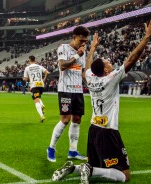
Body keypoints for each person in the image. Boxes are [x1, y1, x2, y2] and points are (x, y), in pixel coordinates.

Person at [52, 15, 151, 184]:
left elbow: (87, 67)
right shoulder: (111, 78)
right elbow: (132, 58)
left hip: (94, 130)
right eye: (108, 62)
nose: (110, 63)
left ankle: (74, 168)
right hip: (108, 131)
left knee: (96, 164)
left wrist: (92, 48)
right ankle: (89, 169)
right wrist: (147, 36)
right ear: (106, 70)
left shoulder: (91, 78)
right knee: (124, 175)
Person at [47, 26, 90, 162]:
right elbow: (62, 66)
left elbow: (82, 72)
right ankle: (51, 148)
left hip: (78, 90)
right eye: (81, 40)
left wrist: (90, 84)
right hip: (65, 89)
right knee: (65, 120)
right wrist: (77, 55)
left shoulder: (83, 51)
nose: (83, 43)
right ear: (74, 37)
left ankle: (73, 151)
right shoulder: (63, 48)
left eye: (85, 41)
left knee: (77, 120)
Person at [23, 55, 49, 122]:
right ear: (35, 60)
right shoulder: (40, 66)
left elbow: (25, 79)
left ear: (29, 60)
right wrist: (44, 79)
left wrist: (24, 78)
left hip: (34, 85)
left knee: (36, 101)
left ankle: (42, 116)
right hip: (41, 85)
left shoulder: (27, 68)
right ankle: (42, 105)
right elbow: (47, 72)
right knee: (37, 97)